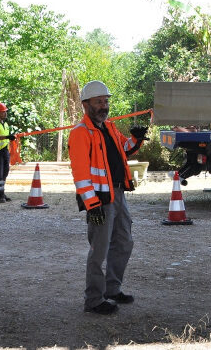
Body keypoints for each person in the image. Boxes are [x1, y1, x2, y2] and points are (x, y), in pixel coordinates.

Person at [69, 80, 148, 315]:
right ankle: (93, 300)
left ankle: (112, 289)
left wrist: (136, 138)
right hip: (99, 200)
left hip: (117, 193)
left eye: (106, 101)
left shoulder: (110, 127)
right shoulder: (80, 133)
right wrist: (92, 204)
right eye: (98, 102)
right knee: (99, 249)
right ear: (86, 105)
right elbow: (81, 174)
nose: (104, 106)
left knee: (124, 241)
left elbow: (124, 149)